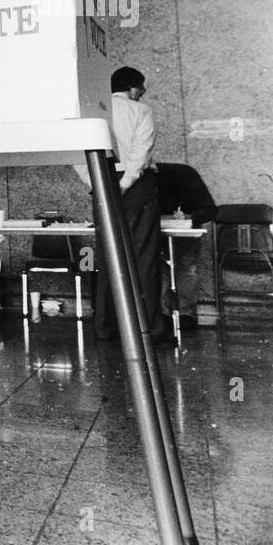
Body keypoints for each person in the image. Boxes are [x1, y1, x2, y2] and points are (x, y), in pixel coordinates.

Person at [83, 66, 167, 344]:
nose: (142, 94)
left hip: (102, 179)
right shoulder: (140, 111)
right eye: (141, 89)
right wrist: (125, 183)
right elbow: (141, 153)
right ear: (133, 88)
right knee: (143, 256)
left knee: (108, 255)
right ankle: (147, 328)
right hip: (137, 188)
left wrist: (97, 184)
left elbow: (76, 153)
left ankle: (105, 326)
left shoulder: (94, 112)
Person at [155, 161, 217, 327]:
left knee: (174, 268)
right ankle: (184, 314)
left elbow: (209, 210)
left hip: (184, 227)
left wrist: (190, 217)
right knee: (186, 268)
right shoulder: (185, 173)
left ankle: (170, 313)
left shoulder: (183, 176)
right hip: (173, 224)